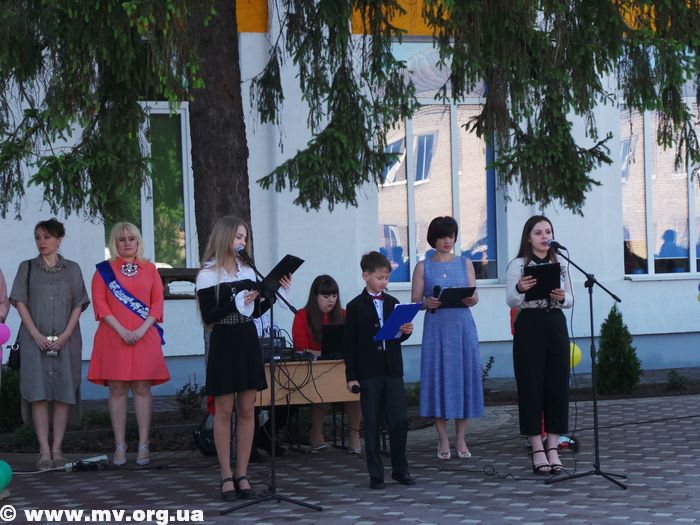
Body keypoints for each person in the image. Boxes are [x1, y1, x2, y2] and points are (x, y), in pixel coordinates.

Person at [195, 215, 290, 501]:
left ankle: (243, 473)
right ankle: (226, 474)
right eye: (238, 236)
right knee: (224, 410)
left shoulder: (247, 271)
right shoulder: (208, 274)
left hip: (247, 339)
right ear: (225, 238)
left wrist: (273, 291)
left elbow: (256, 311)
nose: (242, 242)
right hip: (224, 340)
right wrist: (234, 303)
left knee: (248, 409)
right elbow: (209, 316)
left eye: (245, 237)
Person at [9, 219, 90, 470]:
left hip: (67, 340)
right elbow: (20, 302)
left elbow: (79, 303)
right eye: (38, 237)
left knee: (63, 392)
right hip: (34, 341)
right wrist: (35, 334)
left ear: (59, 239)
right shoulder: (27, 268)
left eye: (46, 237)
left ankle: (58, 449)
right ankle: (44, 451)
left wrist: (66, 335)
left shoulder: (72, 269)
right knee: (39, 394)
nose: (41, 242)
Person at [87, 222, 169, 467]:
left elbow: (157, 302)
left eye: (131, 238)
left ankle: (144, 445)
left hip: (145, 335)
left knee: (142, 388)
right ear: (114, 242)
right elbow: (100, 303)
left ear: (138, 241)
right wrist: (122, 330)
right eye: (122, 239)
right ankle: (120, 445)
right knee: (117, 389)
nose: (127, 243)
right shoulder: (104, 270)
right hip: (113, 336)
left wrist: (142, 329)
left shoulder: (150, 269)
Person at [411, 216, 483, 460]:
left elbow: (474, 296)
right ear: (433, 239)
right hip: (437, 328)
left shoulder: (465, 263)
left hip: (462, 326)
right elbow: (415, 301)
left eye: (451, 236)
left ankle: (461, 438)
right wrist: (426, 302)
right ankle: (442, 439)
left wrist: (472, 299)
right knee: (438, 378)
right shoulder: (423, 267)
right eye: (442, 236)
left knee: (462, 379)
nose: (447, 241)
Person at [506, 215, 573, 475]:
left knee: (557, 385)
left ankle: (553, 447)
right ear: (528, 237)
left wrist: (562, 296)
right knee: (531, 385)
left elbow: (570, 299)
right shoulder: (518, 264)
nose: (545, 237)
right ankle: (536, 448)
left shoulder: (561, 262)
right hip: (529, 325)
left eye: (548, 232)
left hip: (555, 323)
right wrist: (520, 288)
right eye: (538, 233)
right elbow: (511, 300)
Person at [344, 251, 415, 490]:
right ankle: (375, 474)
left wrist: (405, 331)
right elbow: (350, 345)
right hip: (369, 372)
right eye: (380, 277)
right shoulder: (355, 307)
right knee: (372, 423)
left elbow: (396, 337)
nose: (384, 282)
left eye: (387, 278)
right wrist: (351, 376)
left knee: (399, 421)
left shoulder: (393, 303)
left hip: (392, 369)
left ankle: (400, 469)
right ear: (365, 276)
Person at [292, 274, 362, 453]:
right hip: (316, 370)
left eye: (334, 296)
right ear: (315, 296)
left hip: (343, 368)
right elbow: (300, 348)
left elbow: (356, 341)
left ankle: (354, 436)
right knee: (323, 385)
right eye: (325, 296)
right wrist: (324, 354)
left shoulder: (344, 315)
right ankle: (316, 434)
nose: (331, 300)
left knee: (353, 388)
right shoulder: (302, 316)